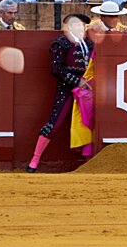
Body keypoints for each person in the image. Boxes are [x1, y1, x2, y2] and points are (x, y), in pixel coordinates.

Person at [26, 13, 94, 173]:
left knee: (88, 123)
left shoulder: (88, 43)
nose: (81, 28)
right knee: (54, 123)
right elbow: (56, 69)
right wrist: (77, 81)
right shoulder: (61, 43)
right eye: (77, 25)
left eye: (82, 25)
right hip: (66, 88)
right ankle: (34, 160)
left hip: (86, 91)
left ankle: (89, 161)